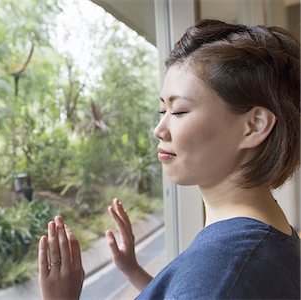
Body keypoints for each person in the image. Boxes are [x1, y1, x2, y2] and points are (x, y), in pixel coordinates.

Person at [38, 19, 300, 299]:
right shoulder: (273, 237)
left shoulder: (220, 271)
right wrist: (133, 271)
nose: (159, 129)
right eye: (161, 111)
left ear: (255, 125)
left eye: (178, 112)